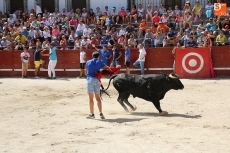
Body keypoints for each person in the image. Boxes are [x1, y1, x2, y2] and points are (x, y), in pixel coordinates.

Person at [85, 51, 108, 119]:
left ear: (92, 56)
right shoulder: (99, 61)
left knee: (91, 99)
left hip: (89, 80)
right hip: (97, 80)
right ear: (98, 56)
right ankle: (101, 113)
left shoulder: (88, 62)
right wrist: (100, 70)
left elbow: (86, 70)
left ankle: (92, 114)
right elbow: (106, 67)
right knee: (98, 98)